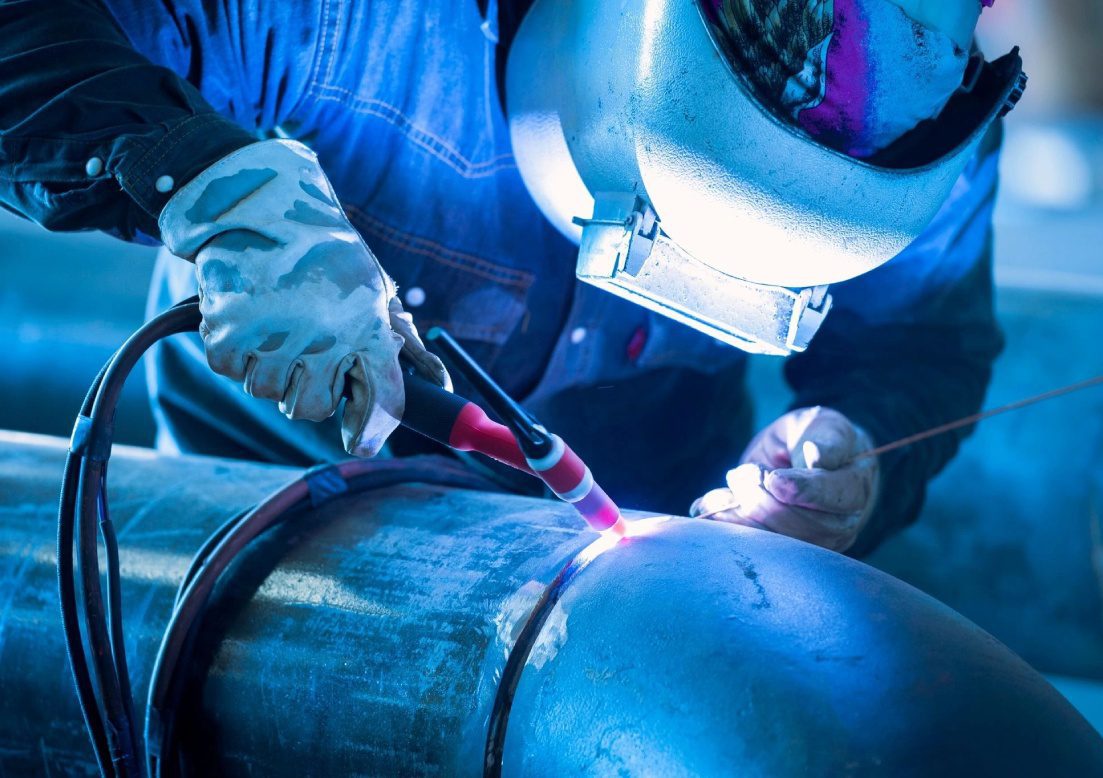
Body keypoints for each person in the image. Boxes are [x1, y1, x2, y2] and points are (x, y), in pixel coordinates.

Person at [0, 0, 1008, 555]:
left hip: (628, 604)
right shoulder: (351, 20)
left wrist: (854, 455)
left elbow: (916, 343)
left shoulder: (921, 128)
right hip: (270, 560)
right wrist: (206, 181)